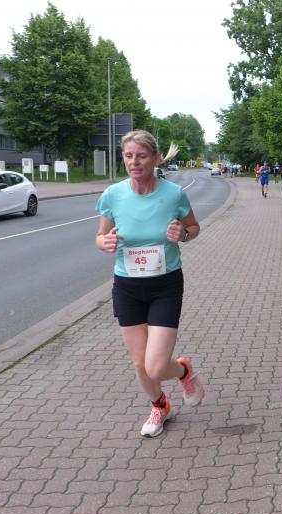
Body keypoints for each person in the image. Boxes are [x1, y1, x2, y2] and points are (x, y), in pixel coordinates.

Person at [95, 130, 205, 438]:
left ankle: (183, 370)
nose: (134, 162)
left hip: (165, 285)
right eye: (128, 156)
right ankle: (160, 406)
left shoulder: (174, 194)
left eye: (141, 156)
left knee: (155, 366)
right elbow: (100, 235)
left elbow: (193, 227)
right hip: (127, 286)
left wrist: (183, 235)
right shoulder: (113, 195)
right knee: (139, 363)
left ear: (156, 159)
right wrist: (105, 243)